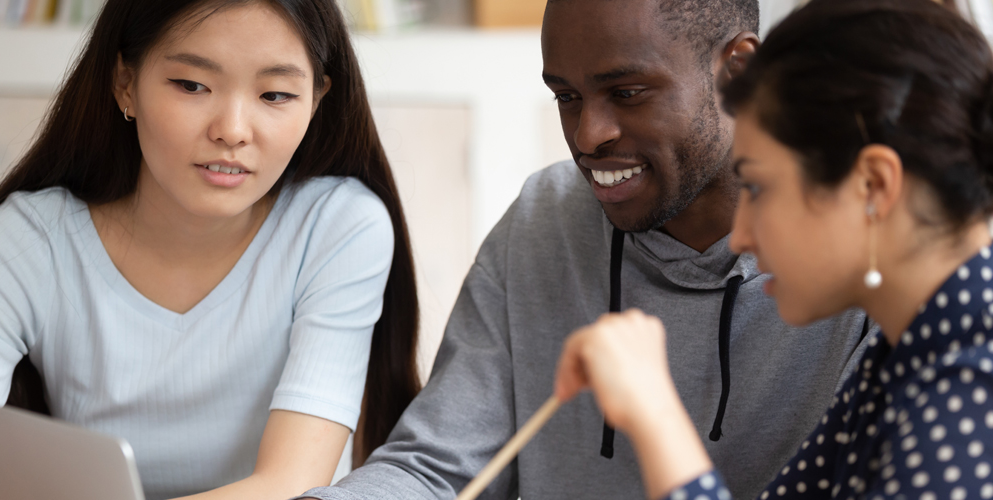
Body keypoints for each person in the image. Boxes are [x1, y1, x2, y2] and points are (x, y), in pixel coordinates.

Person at [297, 1, 873, 500]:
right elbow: (438, 469)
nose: (587, 134)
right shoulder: (542, 218)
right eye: (566, 96)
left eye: (627, 92)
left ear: (737, 71)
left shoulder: (854, 260)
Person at [553, 0, 993, 499]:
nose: (740, 237)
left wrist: (655, 412)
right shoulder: (905, 356)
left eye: (760, 189)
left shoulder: (971, 388)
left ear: (873, 185)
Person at [0, 0, 420, 498]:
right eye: (192, 85)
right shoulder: (26, 241)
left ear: (317, 99)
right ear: (125, 83)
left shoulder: (338, 227)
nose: (233, 131)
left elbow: (291, 483)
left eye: (276, 94)